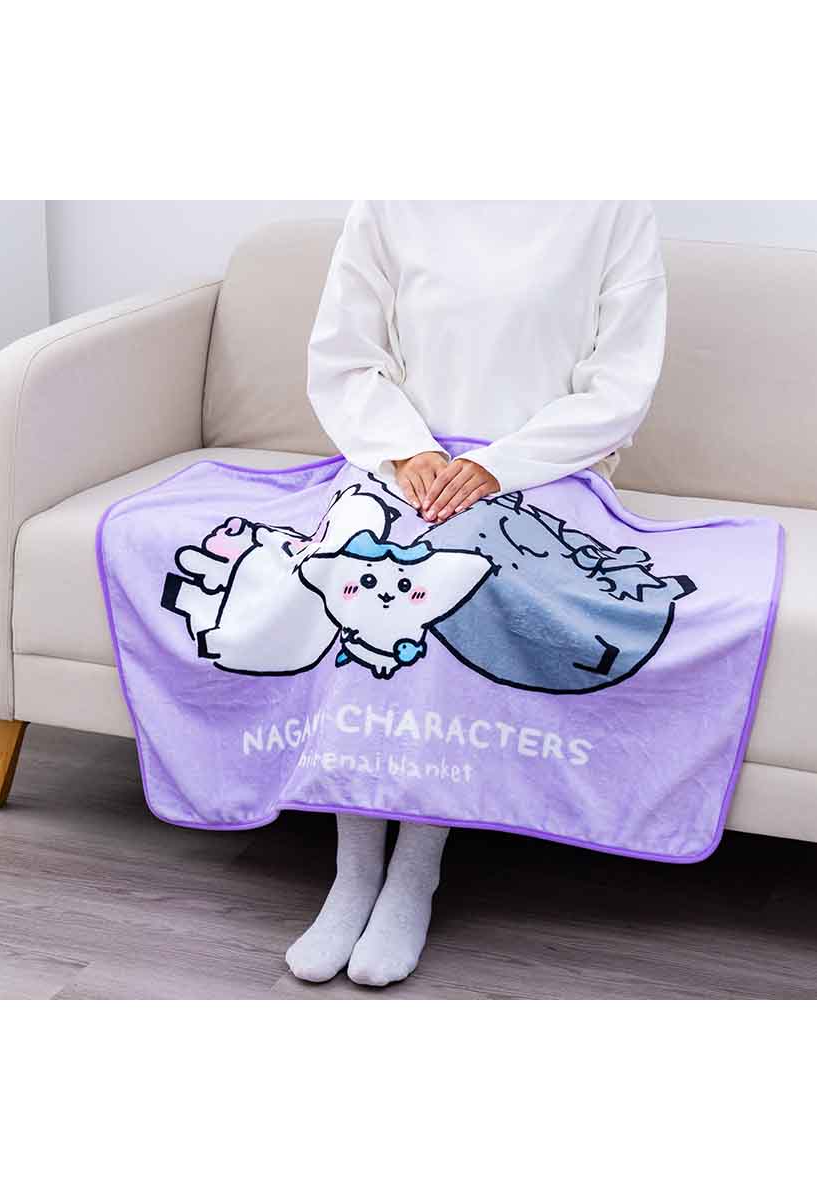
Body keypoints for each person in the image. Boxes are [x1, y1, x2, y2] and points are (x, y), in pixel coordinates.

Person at [286, 201, 668, 986]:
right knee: (366, 582)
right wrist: (406, 452)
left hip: (544, 473)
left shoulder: (611, 207)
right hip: (403, 465)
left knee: (455, 582)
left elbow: (620, 383)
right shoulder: (389, 200)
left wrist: (501, 465)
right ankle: (354, 871)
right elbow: (346, 354)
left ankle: (414, 872)